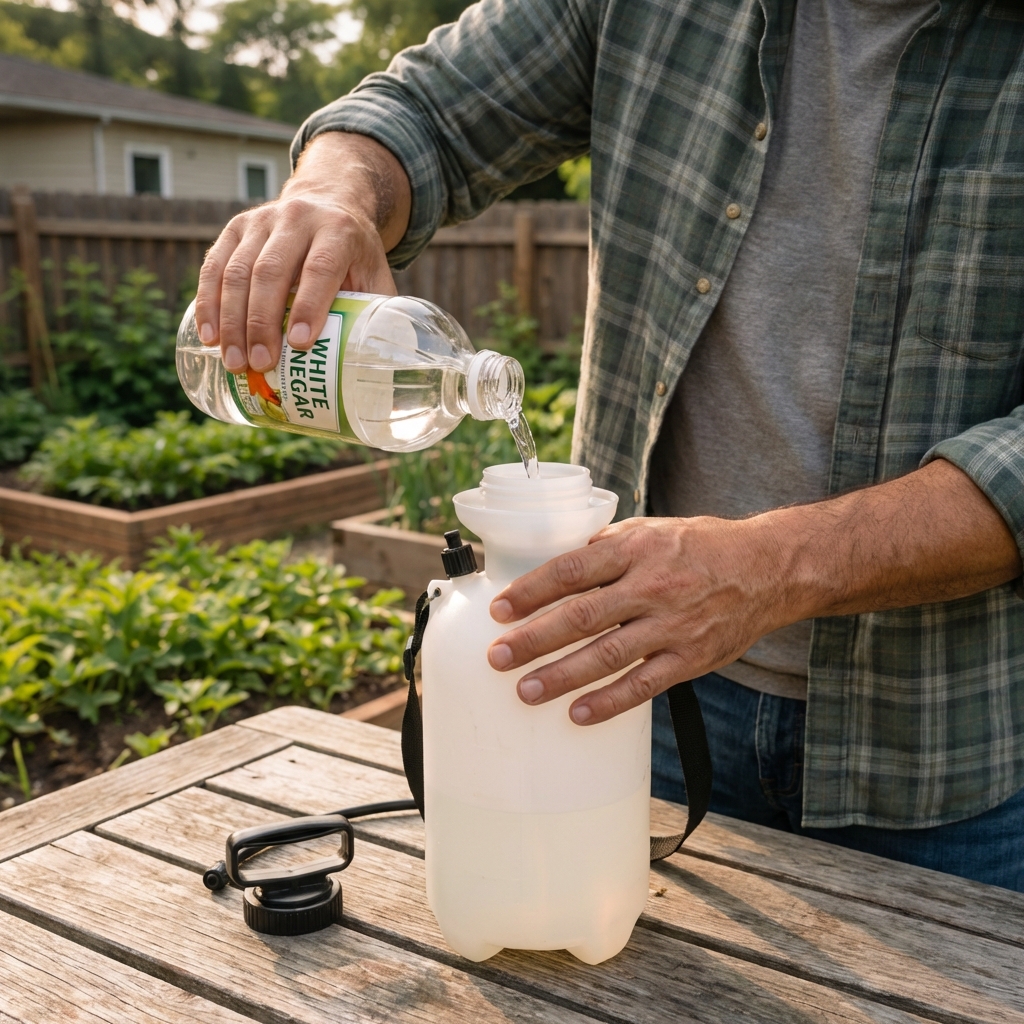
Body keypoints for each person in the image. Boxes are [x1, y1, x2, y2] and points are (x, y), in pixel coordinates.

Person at [194, 0, 1024, 890]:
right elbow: (427, 109)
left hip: (940, 753)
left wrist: (775, 566)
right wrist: (335, 189)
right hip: (628, 694)